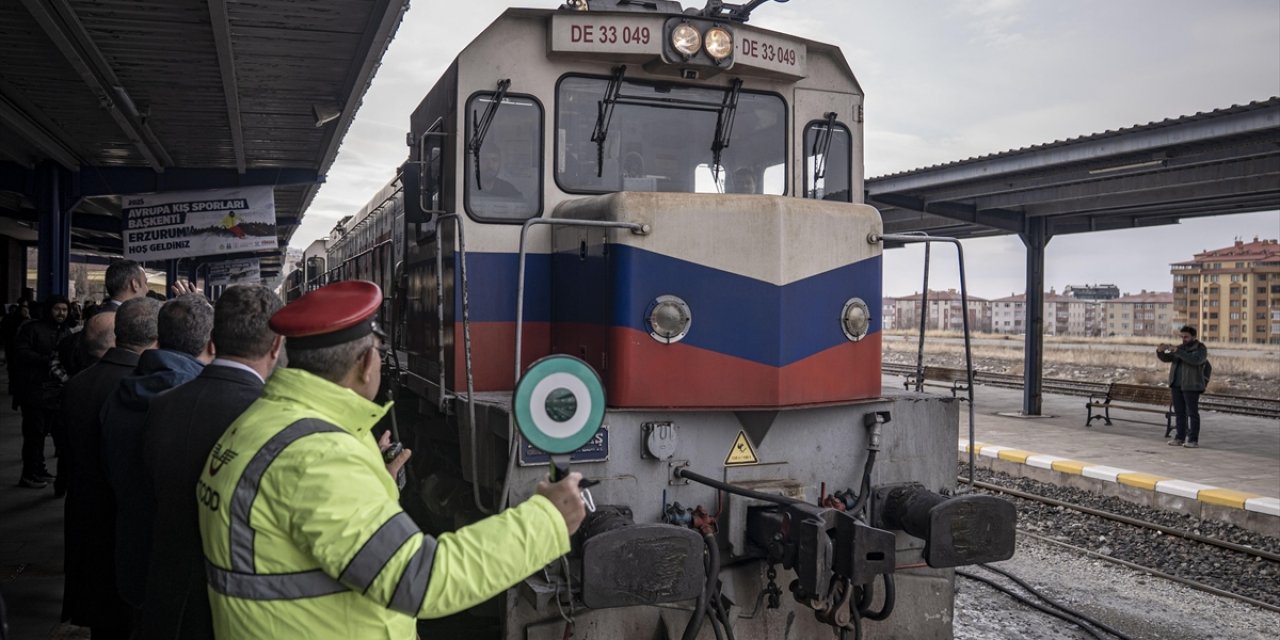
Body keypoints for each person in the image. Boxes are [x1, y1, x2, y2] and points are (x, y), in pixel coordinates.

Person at [197, 280, 585, 639]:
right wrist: (546, 520)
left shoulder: (263, 423)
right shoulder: (316, 458)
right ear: (367, 363)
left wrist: (373, 481)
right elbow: (420, 579)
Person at [138, 285, 282, 640]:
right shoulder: (279, 418)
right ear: (276, 345)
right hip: (240, 606)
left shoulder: (162, 405)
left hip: (167, 590)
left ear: (212, 342)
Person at [101, 294, 215, 614]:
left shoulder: (119, 392)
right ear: (210, 341)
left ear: (159, 336)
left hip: (131, 547)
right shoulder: (197, 400)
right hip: (183, 564)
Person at [61, 299, 160, 639]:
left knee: (102, 628)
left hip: (86, 519)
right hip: (124, 527)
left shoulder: (77, 383)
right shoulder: (142, 386)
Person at [13, 295, 72, 488]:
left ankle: (39, 469)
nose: (61, 313)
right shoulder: (32, 328)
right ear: (49, 310)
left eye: (64, 309)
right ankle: (29, 474)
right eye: (57, 309)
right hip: (33, 390)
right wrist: (47, 359)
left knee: (46, 433)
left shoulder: (65, 331)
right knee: (34, 435)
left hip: (54, 393)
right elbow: (20, 352)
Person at [1157, 325, 1210, 448]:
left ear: (1193, 337)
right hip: (1176, 385)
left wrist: (1178, 351)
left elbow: (1195, 360)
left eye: (1186, 337)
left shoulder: (1201, 348)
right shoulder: (1180, 348)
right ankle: (1179, 438)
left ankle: (1193, 440)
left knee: (1192, 413)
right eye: (1182, 337)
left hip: (1191, 385)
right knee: (1179, 413)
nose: (1183, 339)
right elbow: (1167, 358)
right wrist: (1160, 351)